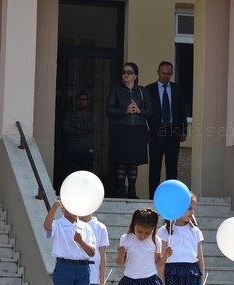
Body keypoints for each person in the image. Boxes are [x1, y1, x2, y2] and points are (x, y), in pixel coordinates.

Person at [107, 62, 153, 199]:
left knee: (134, 162)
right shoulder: (116, 90)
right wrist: (125, 111)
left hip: (138, 128)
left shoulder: (142, 91)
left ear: (135, 75)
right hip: (122, 127)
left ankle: (132, 191)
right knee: (121, 161)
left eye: (129, 72)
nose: (126, 74)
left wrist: (139, 110)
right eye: (124, 72)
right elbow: (109, 109)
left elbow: (151, 111)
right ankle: (121, 190)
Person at [145, 61, 188, 200]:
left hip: (173, 131)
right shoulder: (149, 89)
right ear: (158, 72)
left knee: (172, 167)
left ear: (172, 74)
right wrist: (147, 131)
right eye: (163, 73)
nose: (166, 76)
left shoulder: (177, 89)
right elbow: (146, 113)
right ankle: (153, 197)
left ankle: (170, 197)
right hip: (156, 132)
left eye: (169, 74)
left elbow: (182, 111)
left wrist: (183, 130)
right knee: (155, 166)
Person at [62, 91, 96, 176]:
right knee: (71, 175)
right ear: (76, 101)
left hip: (87, 150)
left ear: (87, 101)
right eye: (79, 99)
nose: (81, 101)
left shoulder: (92, 116)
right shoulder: (69, 115)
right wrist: (84, 131)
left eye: (84, 100)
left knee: (86, 176)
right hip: (71, 150)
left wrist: (75, 125)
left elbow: (92, 127)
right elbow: (66, 129)